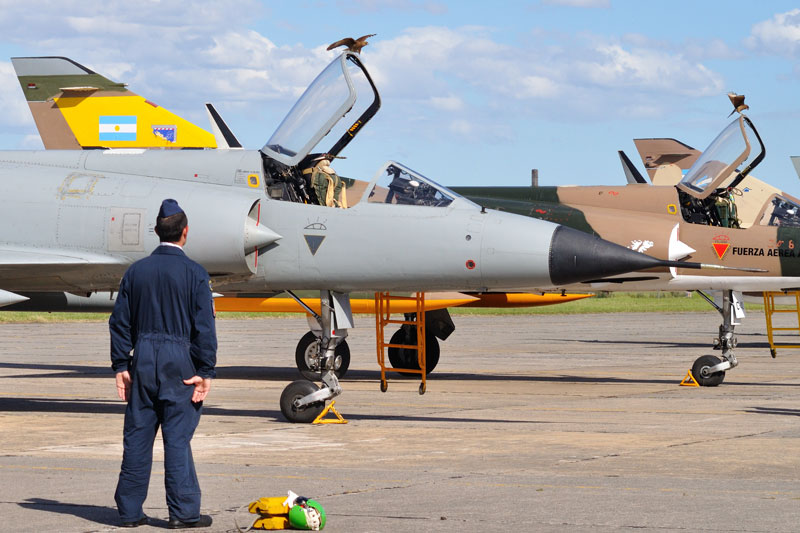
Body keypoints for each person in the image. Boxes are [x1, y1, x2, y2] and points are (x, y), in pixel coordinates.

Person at [109, 198, 217, 529]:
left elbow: (120, 322)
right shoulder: (195, 274)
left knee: (138, 437)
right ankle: (183, 512)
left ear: (156, 231)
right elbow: (204, 328)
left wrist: (121, 364)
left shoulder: (136, 271)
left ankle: (129, 512)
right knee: (177, 439)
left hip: (142, 360)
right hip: (179, 362)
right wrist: (205, 371)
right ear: (185, 232)